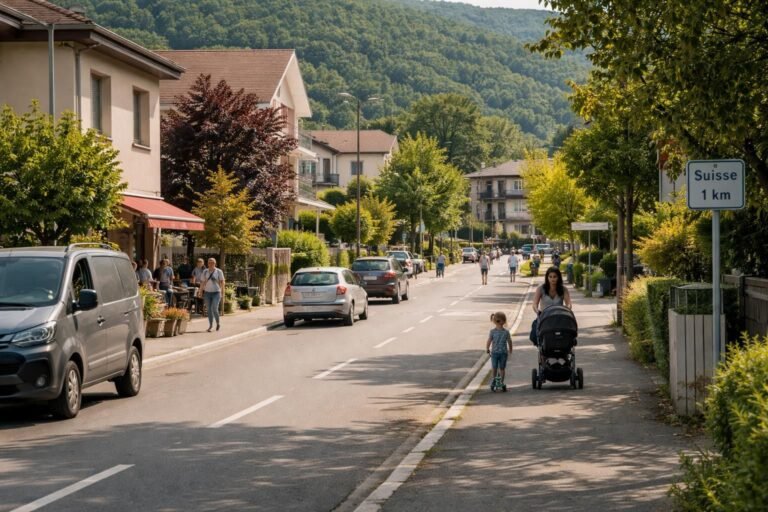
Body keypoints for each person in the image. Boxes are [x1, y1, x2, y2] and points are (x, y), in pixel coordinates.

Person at [530, 267, 572, 344]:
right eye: (550, 277)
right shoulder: (541, 289)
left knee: (568, 332)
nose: (552, 279)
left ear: (558, 277)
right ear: (547, 277)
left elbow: (568, 303)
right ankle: (542, 347)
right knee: (534, 335)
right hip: (544, 317)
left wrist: (567, 310)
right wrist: (537, 311)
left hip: (559, 317)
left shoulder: (563, 289)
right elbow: (534, 304)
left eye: (555, 277)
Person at [486, 311, 513, 391]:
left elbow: (509, 341)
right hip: (499, 353)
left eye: (499, 321)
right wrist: (487, 348)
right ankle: (497, 381)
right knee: (498, 368)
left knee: (499, 368)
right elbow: (489, 340)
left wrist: (487, 348)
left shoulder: (504, 332)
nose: (499, 323)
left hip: (499, 353)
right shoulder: (497, 332)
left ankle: (499, 381)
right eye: (498, 321)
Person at [200, 257, 225, 332]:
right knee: (209, 310)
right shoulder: (205, 271)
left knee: (214, 308)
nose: (210, 264)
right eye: (209, 262)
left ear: (215, 263)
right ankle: (210, 325)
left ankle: (217, 323)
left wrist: (222, 292)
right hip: (207, 293)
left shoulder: (219, 271)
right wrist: (200, 291)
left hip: (216, 292)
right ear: (207, 264)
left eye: (212, 262)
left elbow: (222, 282)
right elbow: (202, 282)